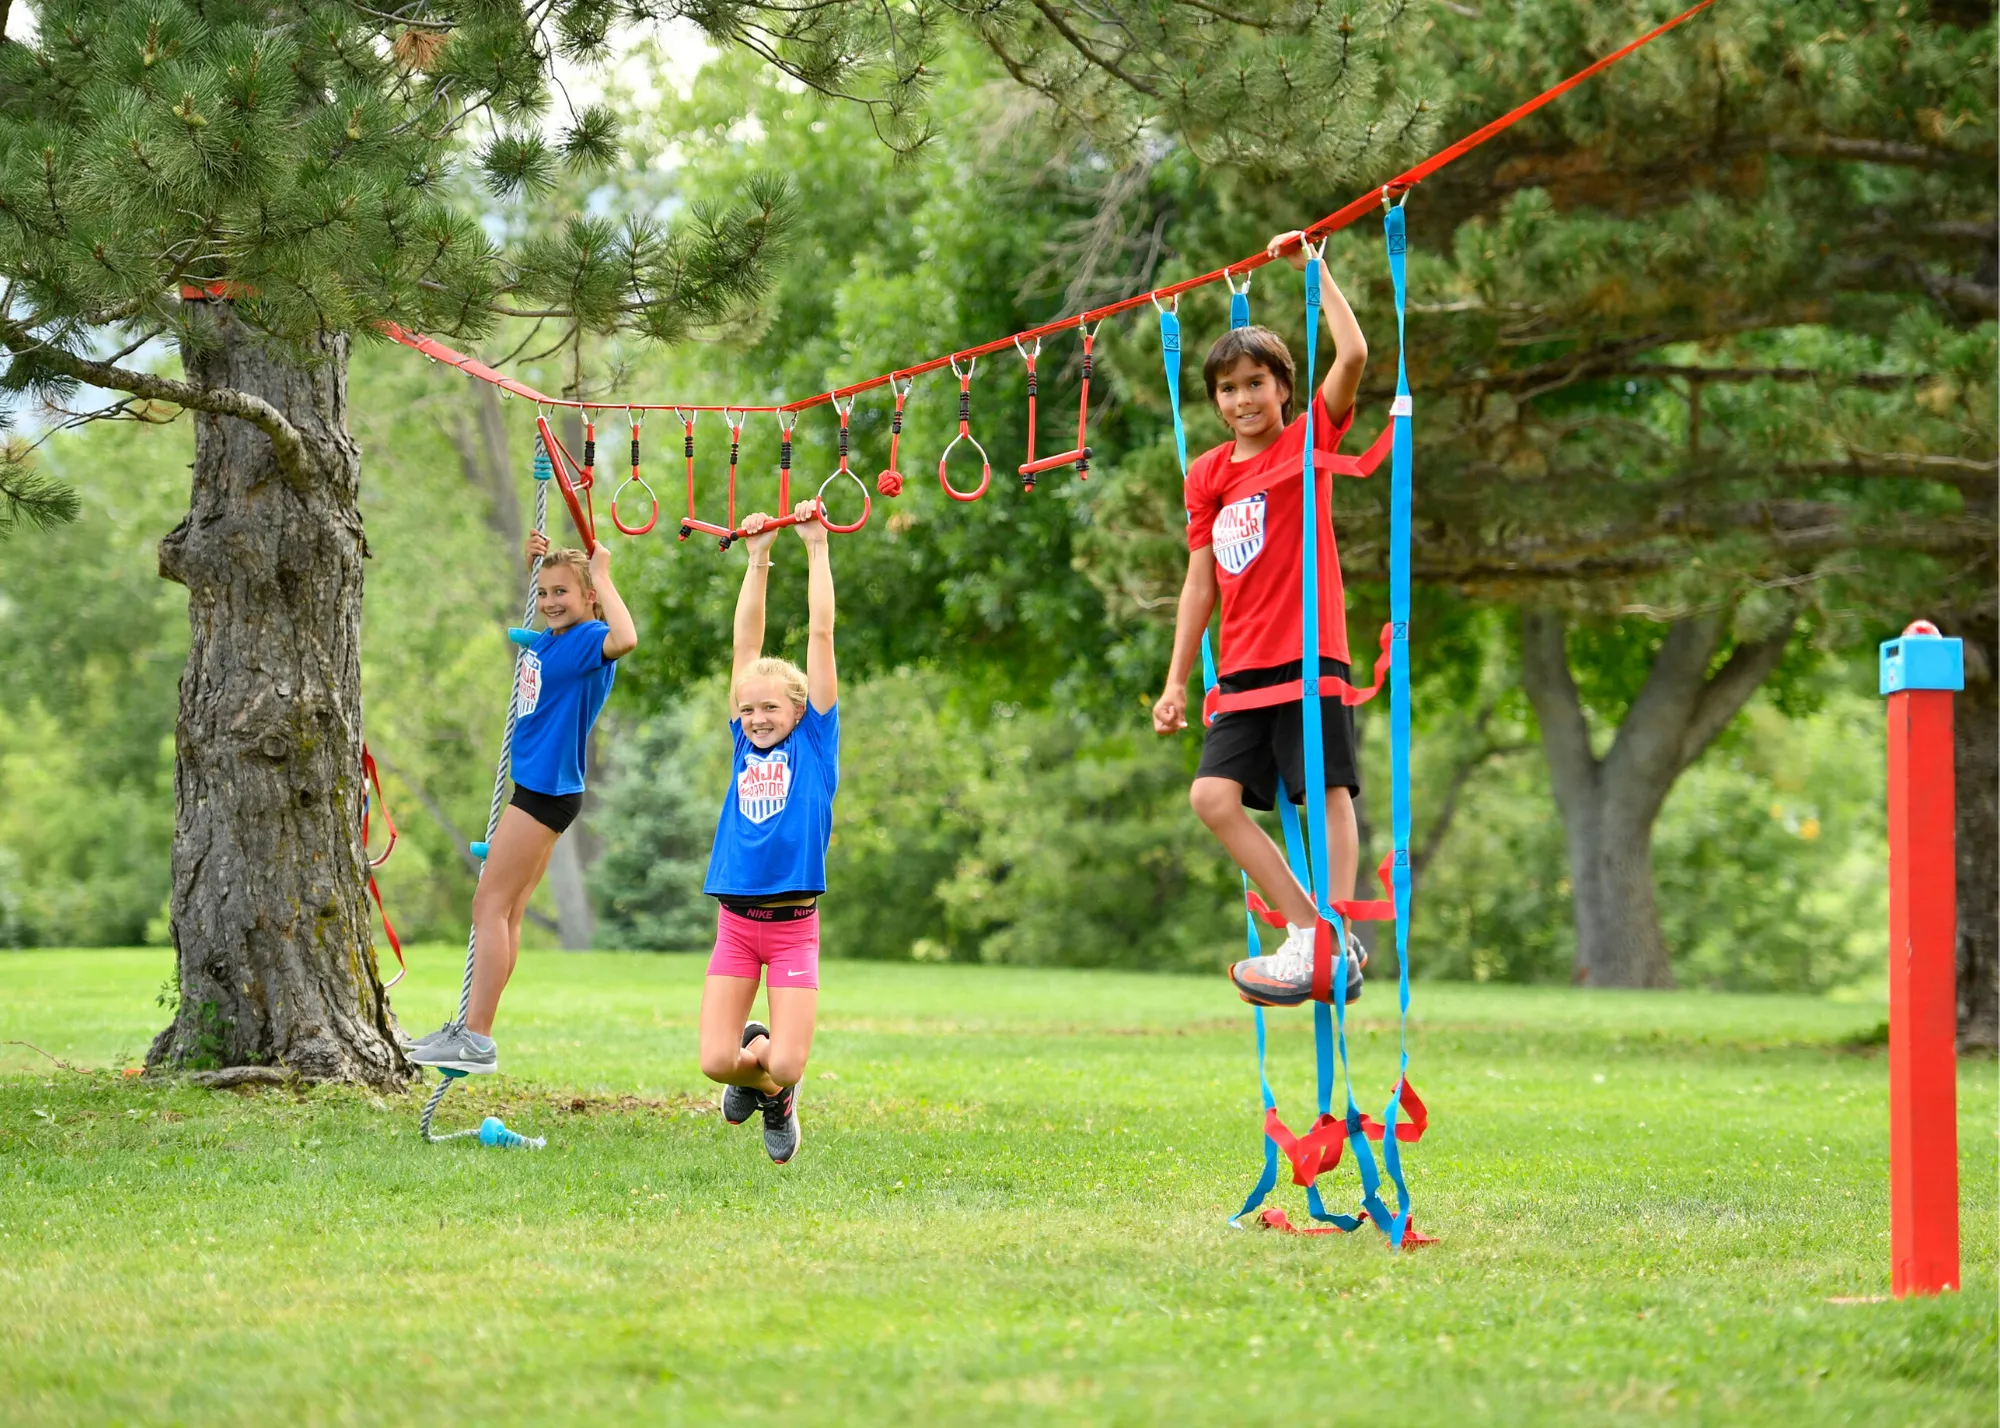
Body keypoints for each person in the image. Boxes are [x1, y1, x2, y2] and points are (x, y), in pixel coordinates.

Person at [1153, 230, 1370, 1008]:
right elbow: (1199, 580)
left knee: (1327, 795)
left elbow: (1353, 357)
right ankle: (1312, 934)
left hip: (1310, 654)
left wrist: (1314, 268)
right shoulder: (1208, 474)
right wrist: (1177, 679)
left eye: (1256, 383)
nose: (1242, 400)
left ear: (1283, 388)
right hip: (1242, 667)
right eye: (1227, 389)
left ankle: (1337, 935)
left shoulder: (1309, 437)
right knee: (1212, 799)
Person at [410, 535, 637, 1073]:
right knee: (505, 913)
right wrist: (535, 560)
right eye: (544, 592)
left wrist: (602, 573)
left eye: (564, 592)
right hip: (540, 790)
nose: (551, 601)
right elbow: (548, 616)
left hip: (545, 793)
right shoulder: (555, 639)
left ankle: (477, 1038)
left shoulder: (590, 640)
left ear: (590, 599)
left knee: (487, 907)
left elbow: (627, 638)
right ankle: (472, 1030)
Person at [697, 498, 839, 1165]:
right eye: (746, 708)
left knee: (785, 1058)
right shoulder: (742, 746)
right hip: (735, 923)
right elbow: (744, 646)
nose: (755, 717)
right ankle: (769, 1090)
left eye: (769, 707)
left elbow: (820, 638)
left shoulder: (814, 741)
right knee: (717, 1064)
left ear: (800, 710)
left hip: (790, 929)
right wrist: (756, 559)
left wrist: (814, 547)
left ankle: (781, 1089)